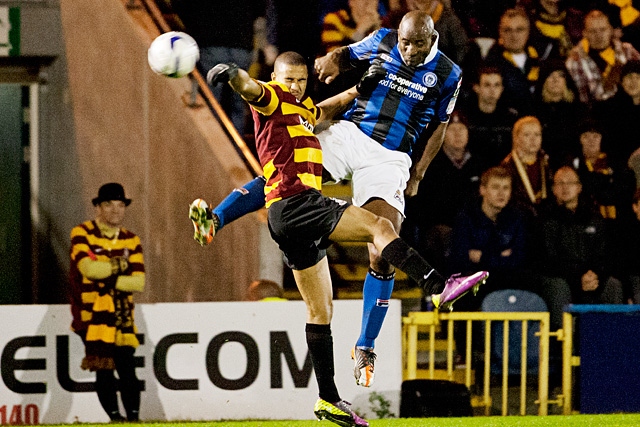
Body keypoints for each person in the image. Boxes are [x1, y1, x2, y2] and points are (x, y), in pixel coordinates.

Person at [193, 52, 488, 426]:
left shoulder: (301, 111)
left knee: (320, 311)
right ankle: (438, 285)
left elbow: (324, 110)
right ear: (274, 77)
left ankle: (328, 400)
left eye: (301, 80)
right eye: (288, 80)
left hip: (286, 220)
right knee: (380, 229)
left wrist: (357, 90)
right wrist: (235, 75)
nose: (295, 87)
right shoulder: (272, 97)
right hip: (299, 204)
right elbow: (253, 91)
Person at [69, 183, 144, 422]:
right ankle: (114, 417)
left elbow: (138, 282)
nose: (115, 210)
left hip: (122, 316)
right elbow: (87, 268)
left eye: (120, 205)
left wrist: (105, 272)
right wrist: (121, 267)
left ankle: (132, 417)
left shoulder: (132, 240)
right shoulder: (81, 233)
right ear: (98, 207)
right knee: (104, 368)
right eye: (109, 204)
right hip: (90, 315)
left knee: (127, 369)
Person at [538, 166, 624, 330]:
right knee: (557, 286)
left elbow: (605, 254)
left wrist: (596, 274)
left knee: (613, 284)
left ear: (579, 188)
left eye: (570, 183)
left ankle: (614, 347)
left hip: (590, 278)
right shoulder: (545, 219)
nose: (565, 187)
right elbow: (548, 260)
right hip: (563, 279)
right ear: (553, 189)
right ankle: (563, 349)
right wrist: (578, 277)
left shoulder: (594, 217)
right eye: (560, 183)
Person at [402, 110, 483, 272]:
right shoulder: (430, 164)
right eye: (452, 129)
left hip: (472, 226)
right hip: (440, 227)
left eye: (461, 129)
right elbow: (420, 205)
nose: (458, 134)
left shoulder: (478, 162)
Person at [171, 0, 268, 134]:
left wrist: (195, 26)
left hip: (211, 40)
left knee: (211, 102)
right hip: (241, 43)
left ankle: (210, 142)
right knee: (238, 106)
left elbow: (181, 6)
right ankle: (236, 150)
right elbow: (260, 9)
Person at [462, 8, 541, 115]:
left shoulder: (538, 59)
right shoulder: (486, 63)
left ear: (528, 31)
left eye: (519, 29)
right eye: (508, 30)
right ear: (500, 32)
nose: (514, 35)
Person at [565, 9, 640, 104]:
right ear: (584, 33)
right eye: (593, 31)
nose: (598, 35)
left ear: (611, 30)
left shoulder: (628, 51)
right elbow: (581, 100)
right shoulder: (574, 61)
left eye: (603, 29)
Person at [459, 66, 520, 169]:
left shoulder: (511, 118)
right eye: (487, 85)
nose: (492, 90)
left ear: (502, 89)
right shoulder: (464, 117)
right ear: (476, 88)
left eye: (496, 85)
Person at [500, 116, 552, 217]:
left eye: (537, 134)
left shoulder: (547, 163)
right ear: (516, 138)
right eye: (527, 135)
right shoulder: (507, 167)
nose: (533, 139)